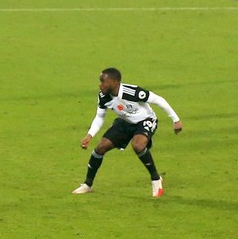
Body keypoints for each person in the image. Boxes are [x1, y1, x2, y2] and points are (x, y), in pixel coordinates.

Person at [73, 67, 182, 198]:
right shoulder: (103, 96)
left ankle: (156, 179)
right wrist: (90, 135)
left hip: (145, 120)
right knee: (100, 148)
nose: (100, 85)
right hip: (124, 122)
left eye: (103, 81)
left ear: (114, 82)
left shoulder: (132, 92)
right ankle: (87, 184)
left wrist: (176, 120)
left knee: (138, 145)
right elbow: (100, 117)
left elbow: (158, 99)